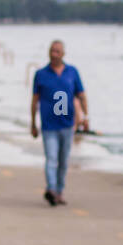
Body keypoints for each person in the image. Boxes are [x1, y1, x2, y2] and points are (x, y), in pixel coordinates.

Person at [31, 39, 87, 206]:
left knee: (63, 161)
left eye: (57, 51)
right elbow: (35, 100)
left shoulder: (72, 72)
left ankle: (60, 191)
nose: (54, 54)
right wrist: (33, 123)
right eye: (52, 51)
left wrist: (85, 117)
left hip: (67, 125)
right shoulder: (41, 74)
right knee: (51, 158)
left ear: (63, 54)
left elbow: (81, 96)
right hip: (49, 126)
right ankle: (51, 189)